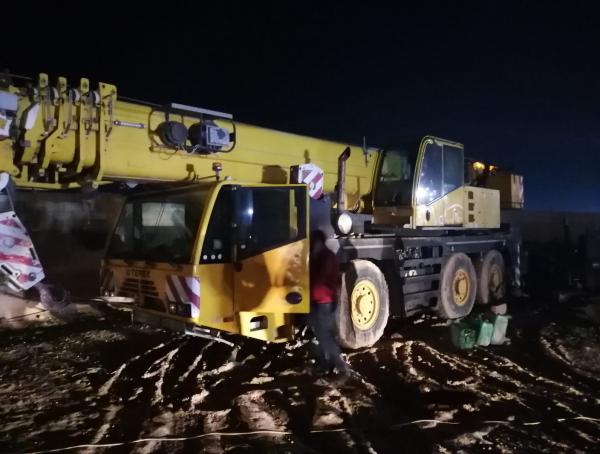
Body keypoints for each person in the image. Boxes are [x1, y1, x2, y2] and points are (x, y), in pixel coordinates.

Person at [309, 229, 349, 378]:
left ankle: (340, 366)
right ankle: (326, 364)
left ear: (317, 242)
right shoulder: (325, 255)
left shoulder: (324, 257)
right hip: (323, 300)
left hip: (323, 301)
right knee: (323, 334)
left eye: (312, 241)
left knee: (325, 336)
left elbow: (320, 281)